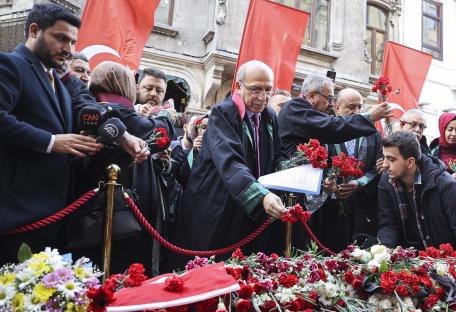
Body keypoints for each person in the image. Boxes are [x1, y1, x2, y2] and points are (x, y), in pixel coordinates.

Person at [0, 4, 104, 265]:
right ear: (34, 31)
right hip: (16, 216)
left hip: (53, 219)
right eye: (60, 38)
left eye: (72, 41)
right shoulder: (11, 65)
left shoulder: (59, 81)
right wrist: (51, 142)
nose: (68, 49)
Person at [169, 60, 286, 268]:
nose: (263, 97)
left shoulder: (270, 116)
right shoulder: (222, 113)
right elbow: (230, 161)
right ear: (239, 86)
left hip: (247, 203)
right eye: (256, 89)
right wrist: (260, 195)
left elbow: (277, 153)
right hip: (216, 201)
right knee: (207, 268)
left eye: (268, 90)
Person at [73, 61, 174, 275]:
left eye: (159, 90)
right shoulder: (119, 112)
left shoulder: (92, 108)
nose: (154, 94)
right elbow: (161, 136)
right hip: (116, 215)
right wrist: (165, 117)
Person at [377, 131, 456, 254]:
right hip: (408, 261)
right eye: (384, 157)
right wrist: (382, 253)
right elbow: (388, 225)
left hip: (445, 260)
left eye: (391, 159)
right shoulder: (386, 181)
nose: (384, 165)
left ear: (410, 162)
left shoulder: (444, 183)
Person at [315, 88, 382, 251]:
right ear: (337, 108)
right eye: (351, 107)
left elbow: (377, 167)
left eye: (359, 107)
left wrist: (360, 183)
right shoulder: (324, 131)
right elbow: (315, 164)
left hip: (362, 207)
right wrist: (329, 183)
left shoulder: (373, 133)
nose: (357, 112)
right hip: (330, 208)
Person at [277, 74, 392, 161]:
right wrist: (369, 116)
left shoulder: (304, 110)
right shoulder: (294, 108)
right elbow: (331, 126)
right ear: (312, 96)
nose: (331, 104)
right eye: (329, 98)